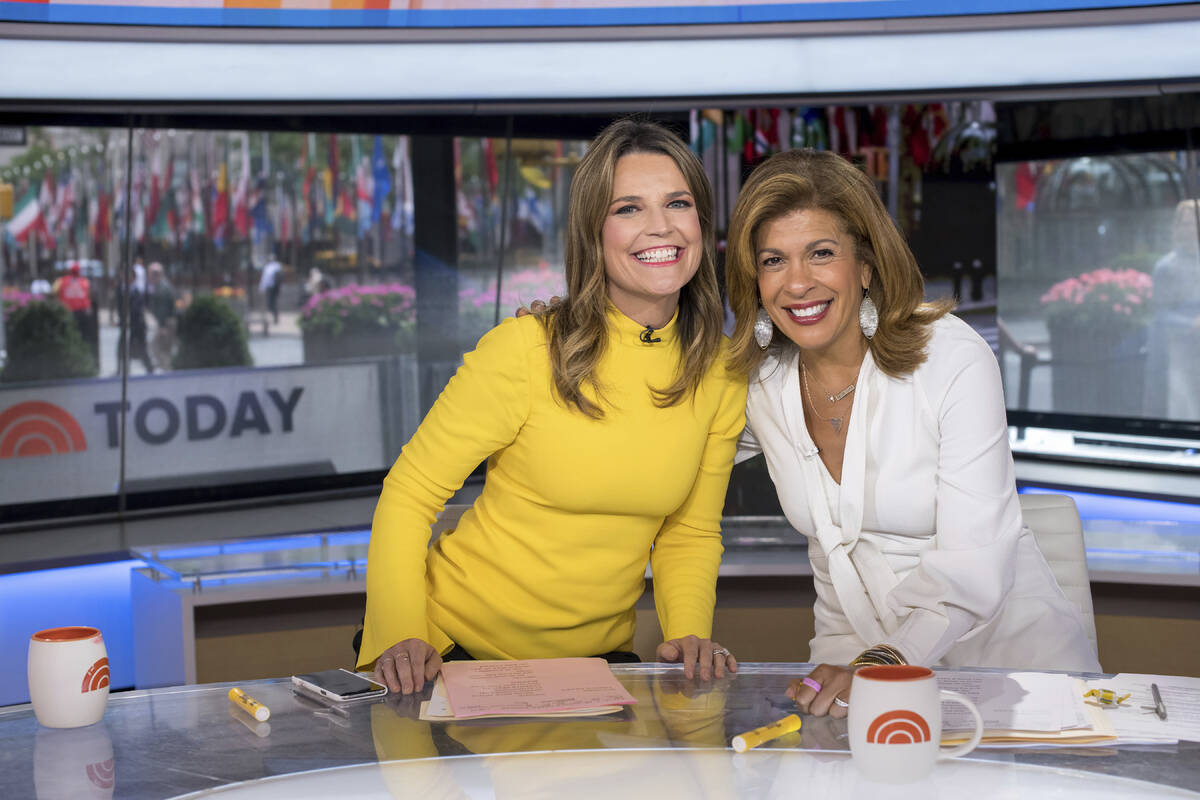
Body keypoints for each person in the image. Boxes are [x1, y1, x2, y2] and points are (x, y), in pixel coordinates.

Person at [358, 119, 747, 694]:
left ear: (701, 223)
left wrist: (688, 633)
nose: (660, 226)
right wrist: (399, 632)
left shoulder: (719, 370)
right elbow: (410, 492)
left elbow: (688, 532)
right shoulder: (525, 349)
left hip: (595, 666)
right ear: (592, 232)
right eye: (628, 209)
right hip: (449, 651)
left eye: (677, 203)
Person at [723, 149, 1100, 718]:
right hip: (861, 670)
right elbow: (661, 455)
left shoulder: (950, 357)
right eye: (774, 260)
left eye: (821, 254)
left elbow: (976, 566)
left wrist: (879, 665)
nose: (797, 283)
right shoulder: (760, 384)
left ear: (866, 266)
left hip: (1013, 680)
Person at [117, 261, 153, 374]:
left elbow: (137, 309)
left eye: (127, 275)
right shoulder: (120, 289)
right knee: (121, 348)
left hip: (137, 325)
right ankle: (121, 370)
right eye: (123, 274)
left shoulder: (137, 291)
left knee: (141, 348)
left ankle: (149, 368)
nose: (124, 277)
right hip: (125, 324)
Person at [146, 262, 177, 371]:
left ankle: (167, 370)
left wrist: (163, 326)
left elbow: (164, 309)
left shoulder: (162, 288)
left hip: (166, 323)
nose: (148, 276)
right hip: (165, 322)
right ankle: (166, 369)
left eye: (150, 274)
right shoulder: (159, 286)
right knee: (160, 348)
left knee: (160, 349)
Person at [54, 262, 92, 337]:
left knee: (67, 332)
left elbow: (53, 292)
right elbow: (88, 296)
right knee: (81, 332)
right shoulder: (85, 282)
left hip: (66, 311)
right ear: (79, 271)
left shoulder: (61, 281)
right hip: (81, 312)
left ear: (69, 271)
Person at [259, 255, 283, 325]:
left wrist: (261, 288)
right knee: (273, 302)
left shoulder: (268, 267)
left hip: (271, 287)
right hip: (276, 287)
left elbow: (265, 279)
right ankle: (275, 317)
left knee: (271, 303)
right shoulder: (278, 266)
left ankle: (274, 316)